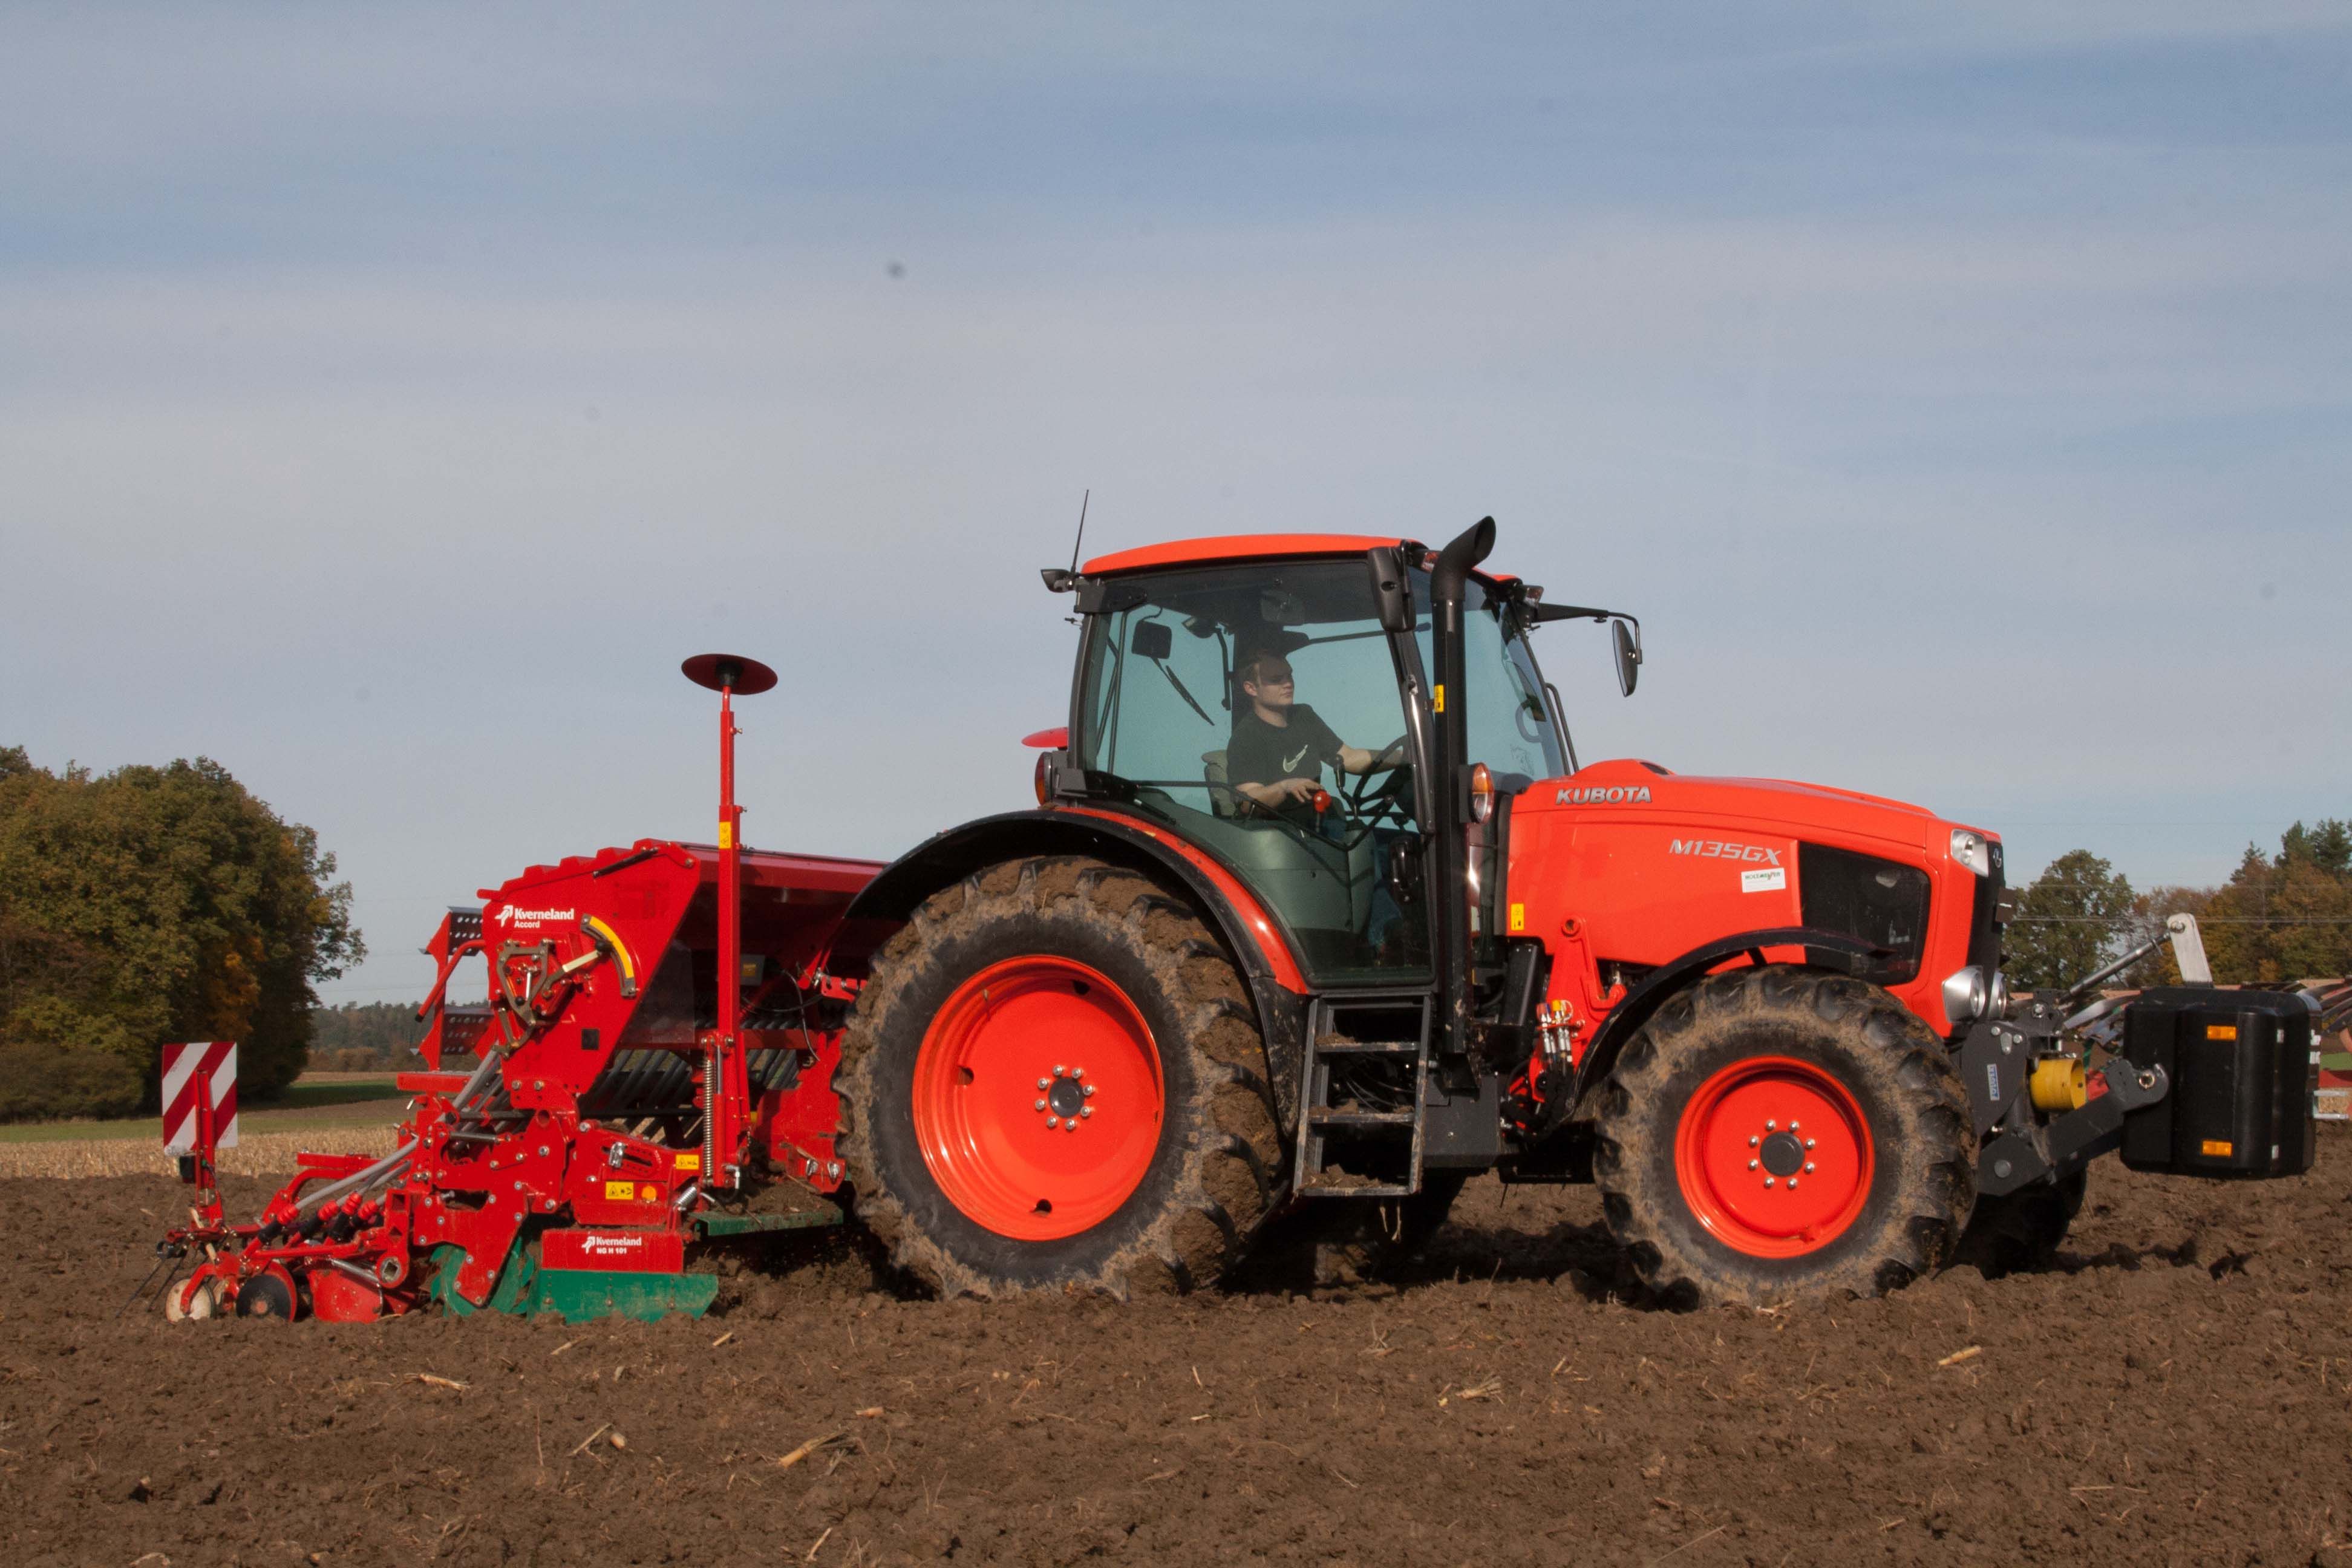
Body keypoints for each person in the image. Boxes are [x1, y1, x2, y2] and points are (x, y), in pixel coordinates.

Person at [1226, 650, 1404, 817]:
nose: (1288, 684)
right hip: (1280, 834)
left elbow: (1349, 758)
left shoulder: (1304, 716)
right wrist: (1285, 787)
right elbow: (1247, 802)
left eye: (1289, 675)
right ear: (1251, 688)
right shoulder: (1246, 738)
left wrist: (1405, 757)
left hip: (1319, 822)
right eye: (1276, 679)